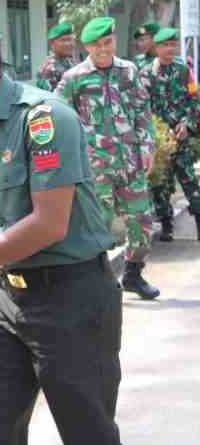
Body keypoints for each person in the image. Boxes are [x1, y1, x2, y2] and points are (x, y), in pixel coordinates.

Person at [0, 7, 121, 445]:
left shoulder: (44, 118)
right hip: (10, 299)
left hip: (73, 297)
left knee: (87, 432)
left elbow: (49, 224)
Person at [57, 16, 160, 300]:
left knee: (143, 224)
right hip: (94, 167)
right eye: (96, 45)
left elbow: (142, 111)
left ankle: (132, 275)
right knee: (95, 227)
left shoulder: (129, 71)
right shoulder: (73, 78)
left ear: (114, 40)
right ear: (87, 47)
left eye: (108, 42)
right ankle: (96, 282)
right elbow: (59, 118)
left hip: (130, 163)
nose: (103, 49)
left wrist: (148, 146)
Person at [138, 27, 200, 240]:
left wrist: (186, 124)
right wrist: (154, 136)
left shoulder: (184, 71)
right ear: (156, 48)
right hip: (159, 143)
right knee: (160, 186)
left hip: (181, 138)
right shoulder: (145, 74)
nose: (170, 49)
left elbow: (194, 101)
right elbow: (142, 107)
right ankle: (166, 226)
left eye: (173, 45)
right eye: (165, 45)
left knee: (190, 181)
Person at [35, 23, 75, 92]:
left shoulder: (69, 62)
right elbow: (50, 97)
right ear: (52, 43)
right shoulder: (49, 68)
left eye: (70, 39)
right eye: (63, 40)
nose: (68, 44)